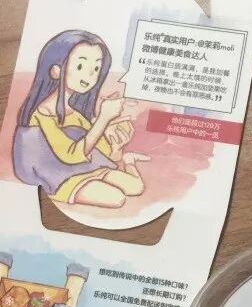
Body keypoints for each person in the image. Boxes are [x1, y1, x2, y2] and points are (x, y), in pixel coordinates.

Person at [12, 30, 149, 209]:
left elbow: (107, 154)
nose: (90, 75)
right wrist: (103, 118)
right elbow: (70, 155)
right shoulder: (44, 112)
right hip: (55, 173)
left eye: (96, 69)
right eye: (80, 66)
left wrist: (116, 144)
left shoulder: (75, 113)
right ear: (56, 70)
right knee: (116, 198)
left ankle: (130, 161)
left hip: (84, 166)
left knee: (136, 186)